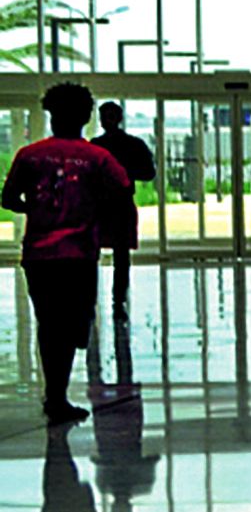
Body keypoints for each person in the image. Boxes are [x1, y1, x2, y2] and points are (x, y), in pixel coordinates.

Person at [1, 81, 130, 424]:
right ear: (87, 115)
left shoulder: (29, 156)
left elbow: (9, 199)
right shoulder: (98, 158)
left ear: (51, 114)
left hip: (39, 255)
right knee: (75, 324)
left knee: (49, 323)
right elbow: (122, 191)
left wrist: (38, 209)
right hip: (79, 255)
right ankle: (58, 392)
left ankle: (54, 396)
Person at [90, 101, 156, 316]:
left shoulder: (97, 146)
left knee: (102, 254)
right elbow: (148, 172)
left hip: (107, 205)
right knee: (118, 256)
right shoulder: (132, 145)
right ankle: (115, 301)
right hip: (113, 204)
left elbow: (148, 172)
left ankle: (104, 301)